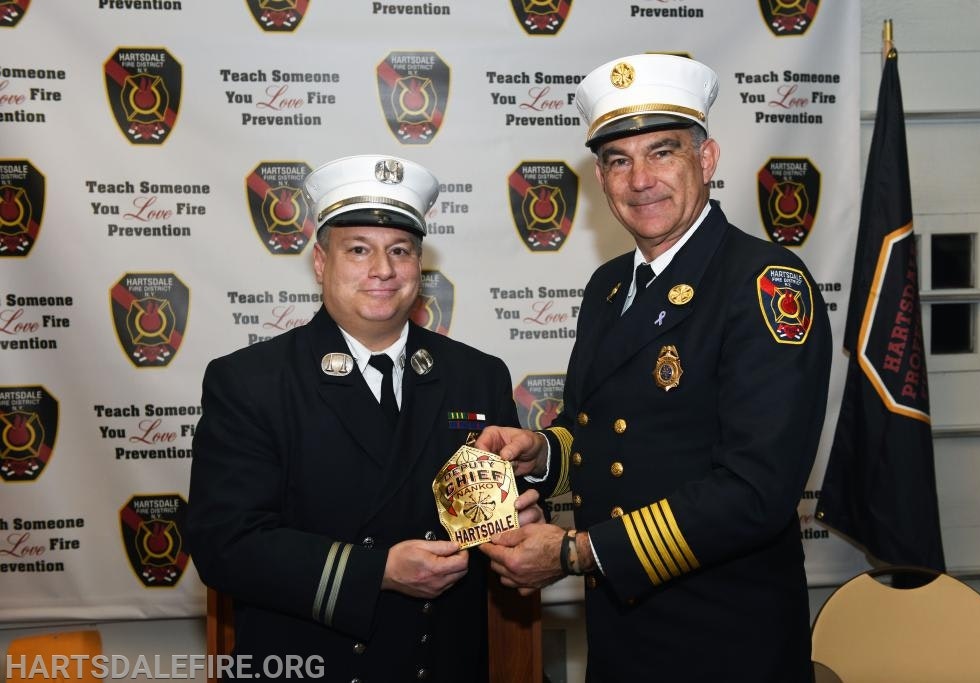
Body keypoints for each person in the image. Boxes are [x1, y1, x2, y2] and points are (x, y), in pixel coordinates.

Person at [476, 54, 833, 682]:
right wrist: (540, 453)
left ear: (708, 158)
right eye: (619, 160)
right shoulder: (610, 286)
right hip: (621, 636)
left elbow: (756, 492)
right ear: (601, 177)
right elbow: (609, 437)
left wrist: (574, 552)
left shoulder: (764, 284)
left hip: (726, 645)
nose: (641, 179)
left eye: (662, 152)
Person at [185, 154, 540, 681]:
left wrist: (513, 536)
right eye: (359, 250)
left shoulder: (476, 376)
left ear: (419, 266)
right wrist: (377, 573)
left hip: (440, 662)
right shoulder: (251, 382)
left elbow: (484, 526)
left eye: (400, 251)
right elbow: (224, 546)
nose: (383, 270)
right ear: (321, 263)